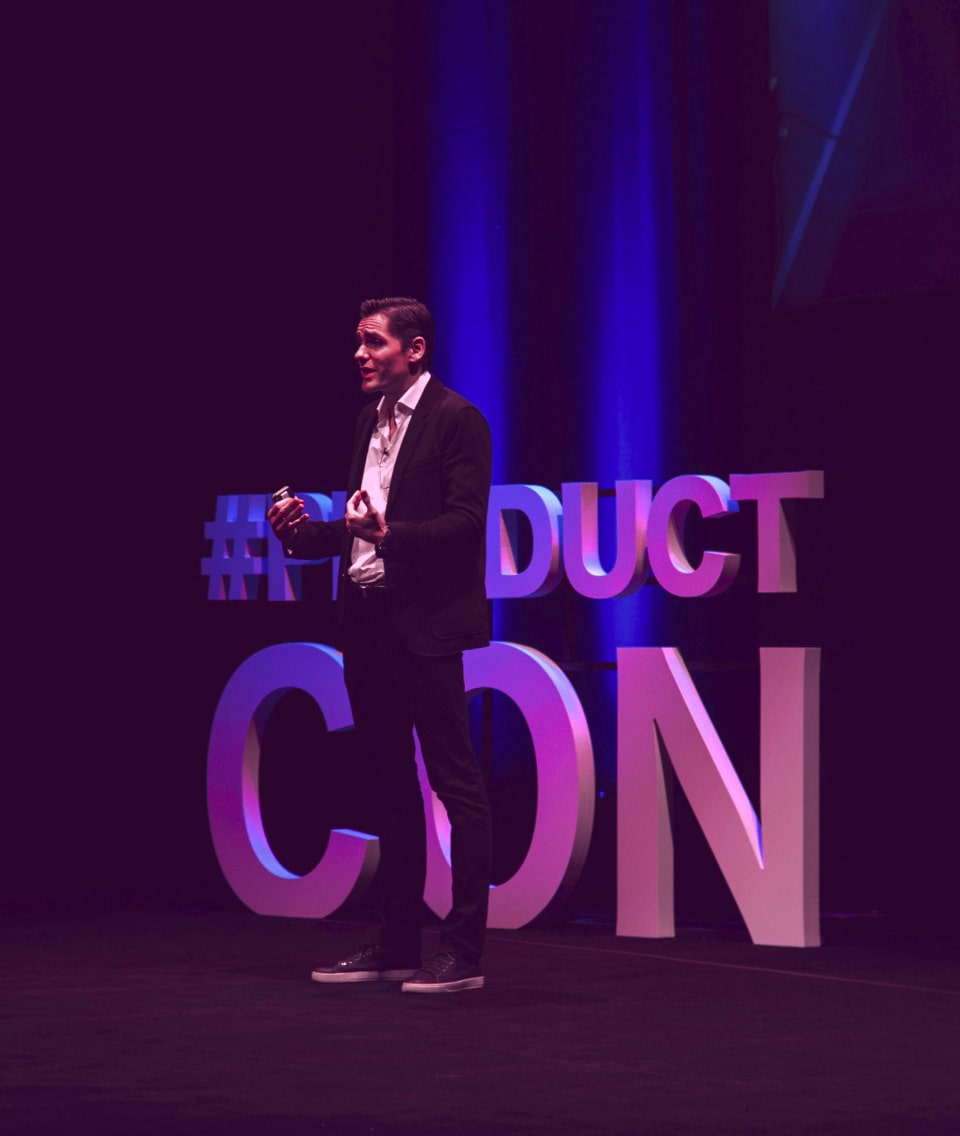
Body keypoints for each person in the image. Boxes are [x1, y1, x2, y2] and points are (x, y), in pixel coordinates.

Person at [267, 297, 492, 994]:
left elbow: (465, 525)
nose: (359, 355)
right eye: (358, 342)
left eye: (373, 342)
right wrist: (302, 534)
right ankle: (396, 944)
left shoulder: (457, 419)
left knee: (455, 785)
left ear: (414, 349)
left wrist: (391, 534)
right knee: (389, 783)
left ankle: (462, 953)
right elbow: (358, 530)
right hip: (366, 625)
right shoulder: (370, 419)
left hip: (426, 627)